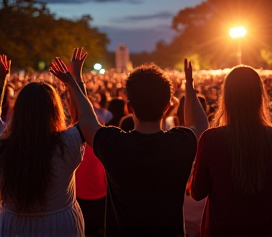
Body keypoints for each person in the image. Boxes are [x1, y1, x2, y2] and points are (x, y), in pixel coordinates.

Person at [50, 53, 209, 237]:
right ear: (167, 107)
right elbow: (200, 124)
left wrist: (75, 81)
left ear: (129, 107)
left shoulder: (114, 144)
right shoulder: (181, 142)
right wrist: (190, 87)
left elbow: (86, 120)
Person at [190, 65, 272, 237]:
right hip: (266, 229)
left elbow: (197, 192)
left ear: (226, 98)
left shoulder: (211, 139)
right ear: (259, 97)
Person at [0, 51, 87, 237]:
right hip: (61, 226)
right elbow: (85, 119)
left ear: (19, 111)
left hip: (13, 226)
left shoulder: (3, 146)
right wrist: (74, 81)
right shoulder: (67, 143)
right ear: (55, 110)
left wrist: (1, 83)